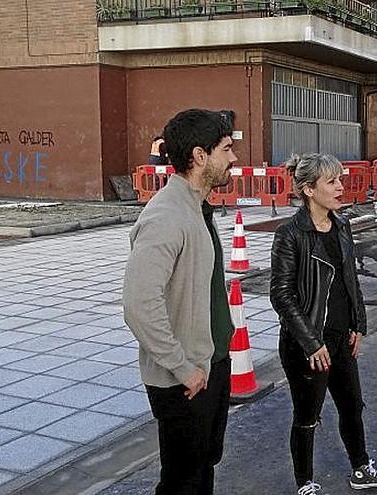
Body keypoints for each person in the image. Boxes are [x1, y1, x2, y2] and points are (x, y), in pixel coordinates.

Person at [270, 153, 377, 495]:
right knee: (307, 414)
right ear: (309, 189)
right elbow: (282, 295)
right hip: (308, 342)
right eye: (332, 182)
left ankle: (361, 469)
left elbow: (349, 281)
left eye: (340, 179)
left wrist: (359, 324)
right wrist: (311, 343)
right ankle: (305, 483)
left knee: (352, 406)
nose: (341, 187)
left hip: (343, 336)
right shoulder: (291, 234)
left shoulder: (341, 225)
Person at [123, 109, 238, 494]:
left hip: (210, 365)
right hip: (184, 379)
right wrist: (182, 366)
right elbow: (139, 304)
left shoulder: (198, 208)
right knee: (182, 482)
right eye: (226, 149)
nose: (234, 158)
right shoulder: (166, 216)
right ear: (200, 156)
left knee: (203, 468)